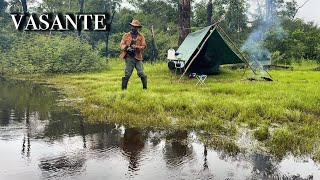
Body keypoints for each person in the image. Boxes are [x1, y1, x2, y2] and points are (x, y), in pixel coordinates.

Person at [119, 19, 147, 90]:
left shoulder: (141, 36)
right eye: (133, 26)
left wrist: (137, 47)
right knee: (127, 74)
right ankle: (123, 90)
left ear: (138, 28)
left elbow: (144, 46)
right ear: (131, 26)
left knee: (141, 73)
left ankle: (145, 88)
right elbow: (121, 44)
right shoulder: (126, 35)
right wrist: (126, 47)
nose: (134, 28)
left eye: (136, 27)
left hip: (138, 57)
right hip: (129, 57)